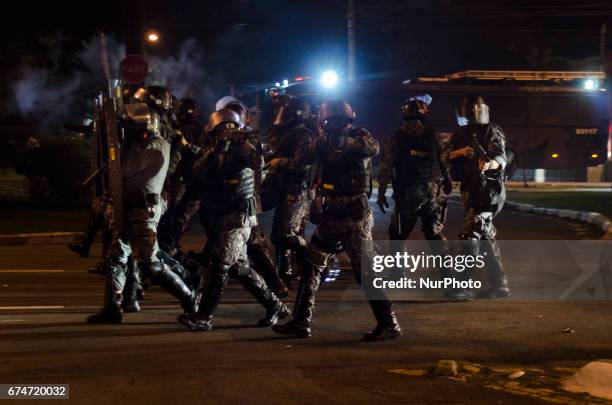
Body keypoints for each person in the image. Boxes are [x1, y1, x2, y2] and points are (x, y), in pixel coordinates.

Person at [273, 100, 402, 341]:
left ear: (347, 121)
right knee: (312, 265)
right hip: (332, 216)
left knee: (365, 271)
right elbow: (303, 160)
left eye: (338, 121)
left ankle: (388, 322)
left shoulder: (360, 136)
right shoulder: (321, 142)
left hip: (355, 217)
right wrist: (283, 161)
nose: (334, 124)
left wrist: (343, 142)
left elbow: (373, 147)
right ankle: (301, 321)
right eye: (330, 121)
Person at [87, 90, 197, 323]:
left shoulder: (155, 146)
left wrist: (116, 146)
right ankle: (112, 307)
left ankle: (189, 297)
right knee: (116, 256)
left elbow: (122, 171)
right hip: (127, 206)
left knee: (150, 264)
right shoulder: (146, 143)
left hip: (144, 209)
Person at [178, 108, 289, 331]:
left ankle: (203, 316)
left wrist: (240, 145)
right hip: (220, 214)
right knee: (238, 267)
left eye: (228, 129)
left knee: (220, 265)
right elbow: (198, 171)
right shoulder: (214, 147)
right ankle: (275, 305)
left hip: (238, 214)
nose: (225, 133)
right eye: (221, 131)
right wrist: (214, 151)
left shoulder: (247, 141)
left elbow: (258, 163)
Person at [445, 95, 509, 300]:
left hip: (488, 192)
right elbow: (444, 155)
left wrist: (489, 164)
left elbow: (501, 157)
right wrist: (461, 152)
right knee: (486, 239)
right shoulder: (461, 134)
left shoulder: (492, 131)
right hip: (470, 192)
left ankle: (462, 286)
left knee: (470, 236)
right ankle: (500, 286)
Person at [377, 94, 452, 241]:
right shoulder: (433, 135)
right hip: (431, 194)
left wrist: (381, 192)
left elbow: (386, 166)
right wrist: (447, 180)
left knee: (397, 235)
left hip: (405, 195)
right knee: (434, 233)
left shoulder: (396, 137)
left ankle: (397, 264)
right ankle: (444, 264)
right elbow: (443, 161)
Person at [266, 96, 317, 288]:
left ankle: (313, 255)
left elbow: (303, 165)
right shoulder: (290, 132)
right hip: (287, 187)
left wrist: (280, 163)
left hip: (298, 190)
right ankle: (284, 272)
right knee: (282, 233)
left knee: (283, 234)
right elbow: (274, 142)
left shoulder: (304, 135)